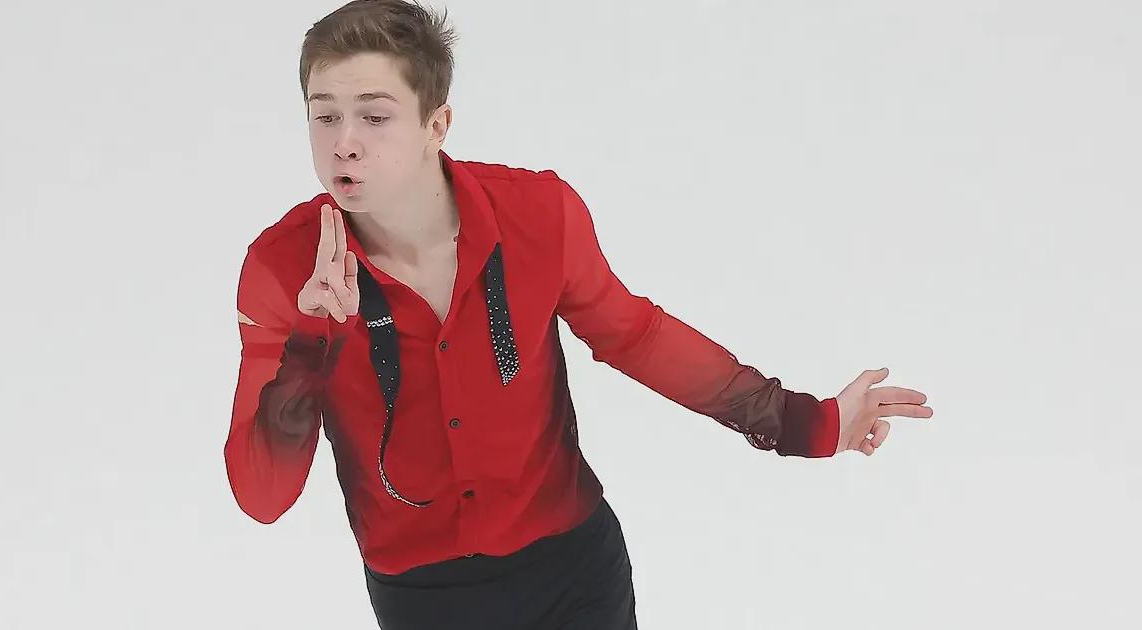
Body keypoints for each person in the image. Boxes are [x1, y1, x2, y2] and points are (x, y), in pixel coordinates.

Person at [225, 1, 935, 628]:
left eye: (374, 116)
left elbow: (638, 336)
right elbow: (261, 495)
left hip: (573, 573)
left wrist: (805, 422)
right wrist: (313, 343)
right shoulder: (282, 270)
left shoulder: (537, 213)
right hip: (422, 600)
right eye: (324, 115)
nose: (343, 141)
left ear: (436, 124)